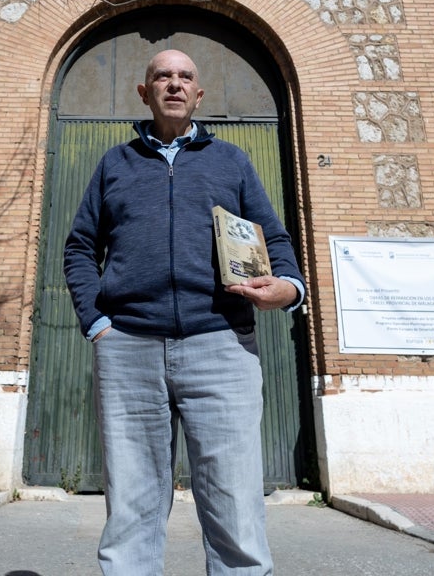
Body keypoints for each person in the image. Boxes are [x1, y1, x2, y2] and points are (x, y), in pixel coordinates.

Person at [64, 48, 305, 576]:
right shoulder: (115, 164)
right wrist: (98, 323)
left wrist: (288, 287)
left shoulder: (232, 161)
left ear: (199, 94)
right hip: (127, 347)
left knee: (234, 499)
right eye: (162, 76)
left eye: (185, 77)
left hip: (221, 344)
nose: (174, 83)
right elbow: (80, 248)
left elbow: (276, 238)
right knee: (131, 500)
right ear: (144, 92)